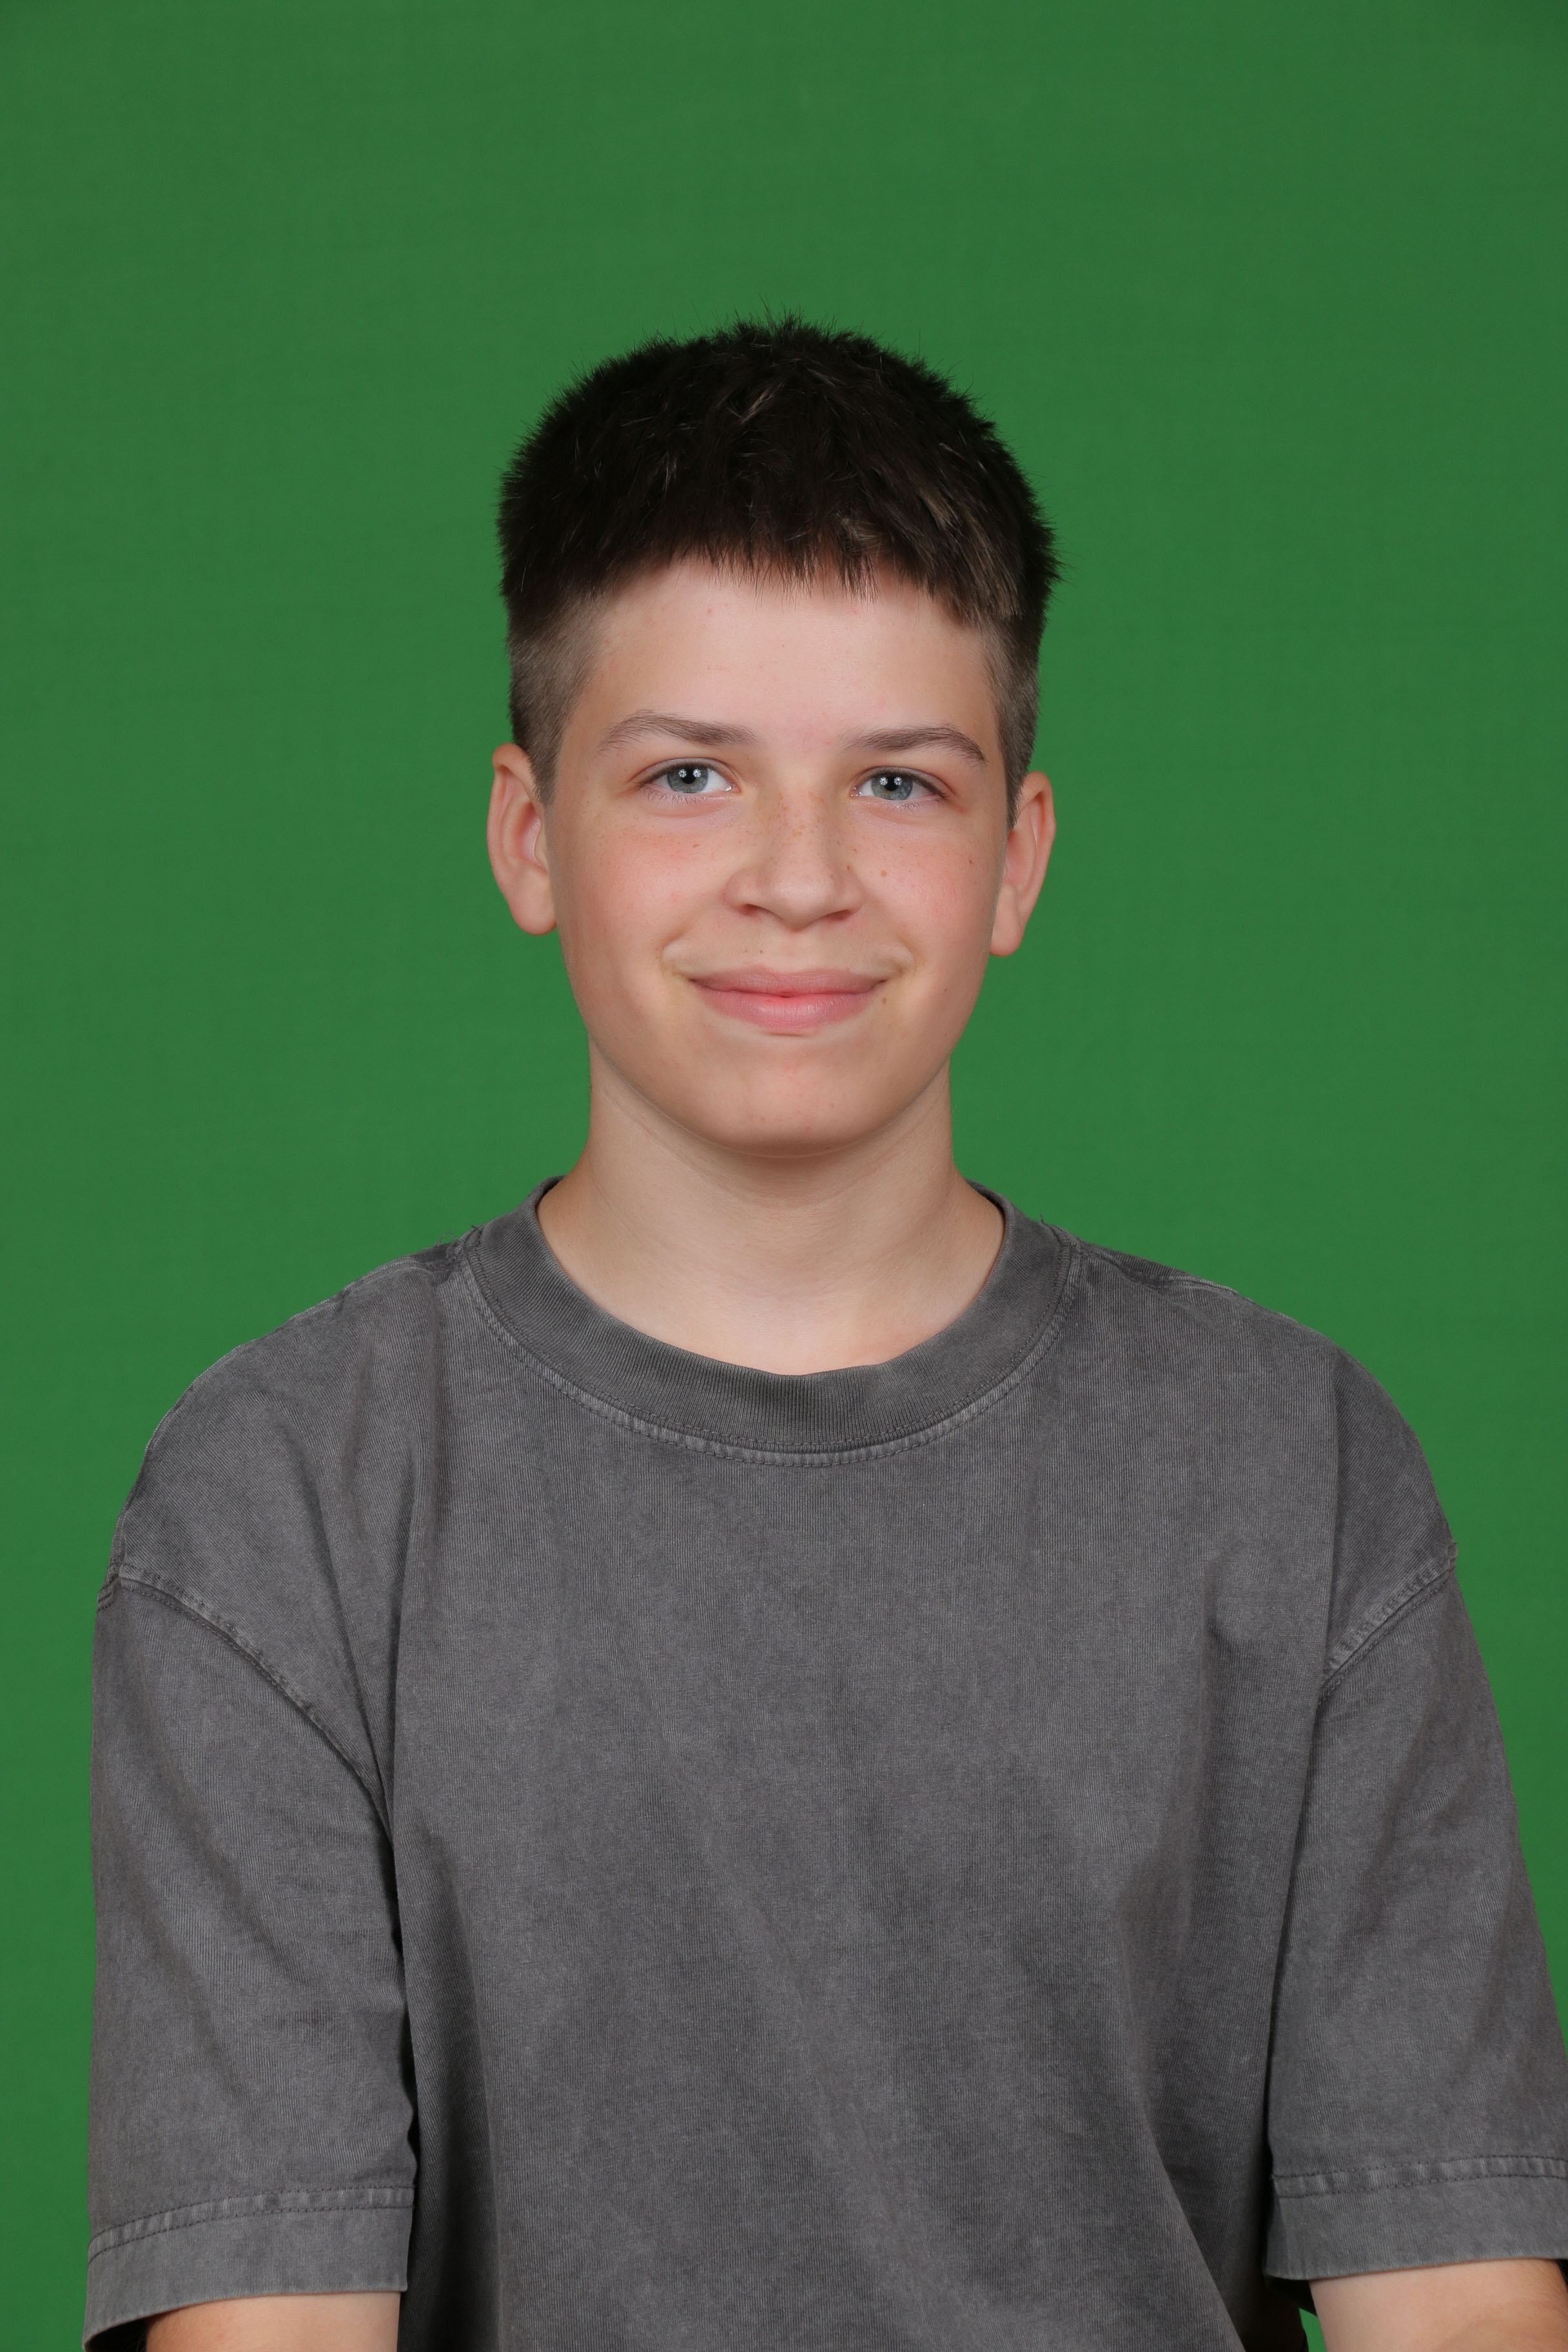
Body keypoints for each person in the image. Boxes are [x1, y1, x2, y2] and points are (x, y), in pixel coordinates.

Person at [87, 319, 1568, 2352]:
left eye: (897, 781)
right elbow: (266, 2328)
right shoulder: (286, 1502)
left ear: (1018, 857)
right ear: (530, 836)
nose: (799, 880)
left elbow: (1462, 2304)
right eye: (688, 776)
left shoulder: (1292, 1473)